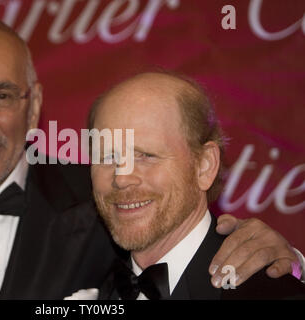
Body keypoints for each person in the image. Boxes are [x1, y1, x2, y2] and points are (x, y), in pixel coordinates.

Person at [0, 14, 302, 300]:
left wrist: (288, 262)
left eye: (3, 94)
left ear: (33, 107)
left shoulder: (101, 203)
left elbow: (181, 237)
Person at [87, 71, 305, 299]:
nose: (121, 178)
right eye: (106, 157)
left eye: (146, 155)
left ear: (205, 166)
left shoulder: (271, 293)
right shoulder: (84, 276)